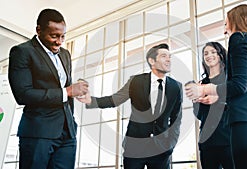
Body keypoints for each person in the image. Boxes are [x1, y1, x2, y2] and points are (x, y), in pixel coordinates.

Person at [185, 4, 247, 169]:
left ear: (236, 21)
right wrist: (215, 96)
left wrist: (204, 89)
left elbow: (239, 85)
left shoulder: (238, 38)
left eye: (226, 23)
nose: (225, 30)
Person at [77, 43, 182, 169]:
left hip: (161, 150)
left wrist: (170, 145)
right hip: (134, 148)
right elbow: (115, 99)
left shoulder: (176, 87)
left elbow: (176, 119)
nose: (169, 59)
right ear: (152, 61)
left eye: (170, 56)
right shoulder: (136, 81)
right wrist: (91, 101)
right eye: (164, 56)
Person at [8, 9, 89, 169]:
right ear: (39, 30)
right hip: (38, 132)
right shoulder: (22, 52)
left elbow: (66, 89)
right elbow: (23, 94)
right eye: (54, 36)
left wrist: (76, 93)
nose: (59, 42)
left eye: (63, 36)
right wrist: (66, 92)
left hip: (67, 133)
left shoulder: (65, 54)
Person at [190, 42, 234, 169]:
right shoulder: (201, 84)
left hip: (228, 139)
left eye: (213, 52)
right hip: (207, 142)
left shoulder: (230, 79)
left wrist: (217, 99)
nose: (209, 55)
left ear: (220, 55)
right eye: (205, 53)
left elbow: (236, 103)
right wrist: (196, 101)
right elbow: (199, 115)